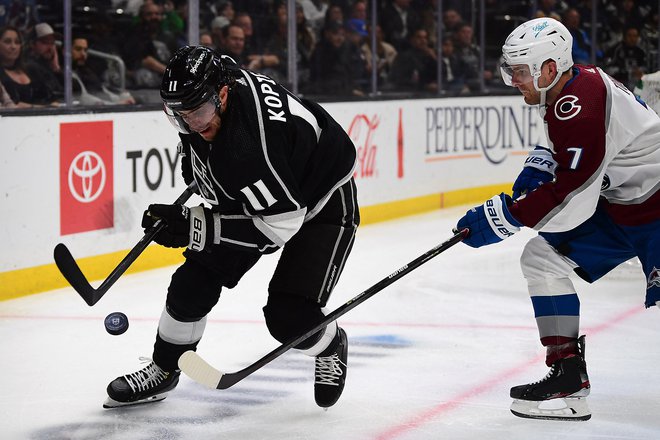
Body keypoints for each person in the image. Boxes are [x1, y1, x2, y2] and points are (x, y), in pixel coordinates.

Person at [104, 46, 360, 410]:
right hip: (274, 188)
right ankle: (164, 369)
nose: (191, 123)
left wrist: (195, 226)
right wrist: (192, 213)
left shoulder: (251, 147)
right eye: (179, 115)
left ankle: (331, 343)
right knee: (191, 283)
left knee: (289, 319)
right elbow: (212, 164)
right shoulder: (209, 93)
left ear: (222, 95)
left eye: (199, 112)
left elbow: (278, 226)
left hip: (321, 199)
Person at [455, 17, 660, 421]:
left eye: (519, 70)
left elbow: (572, 196)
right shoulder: (570, 86)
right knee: (542, 259)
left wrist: (507, 217)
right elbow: (559, 146)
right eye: (510, 69)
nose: (513, 79)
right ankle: (567, 378)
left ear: (549, 67)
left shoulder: (579, 104)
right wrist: (536, 169)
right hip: (625, 206)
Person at [0, 24, 54, 107]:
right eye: (7, 42)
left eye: (17, 42)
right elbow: (13, 105)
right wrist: (42, 108)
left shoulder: (32, 69)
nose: (13, 46)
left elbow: (51, 97)